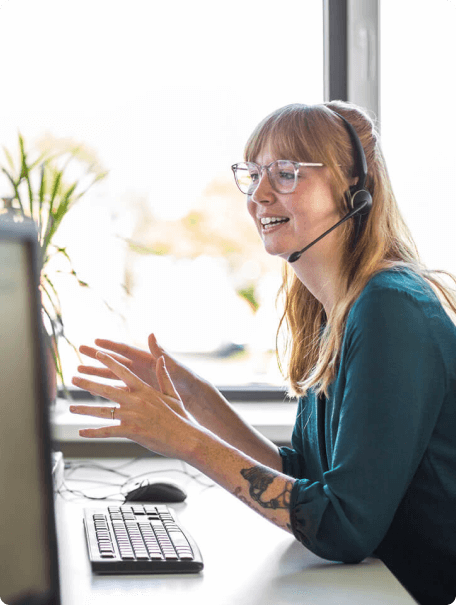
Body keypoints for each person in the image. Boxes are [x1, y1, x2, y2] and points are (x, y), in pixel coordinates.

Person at [70, 101, 456, 605]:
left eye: (287, 173)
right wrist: (199, 400)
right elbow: (307, 477)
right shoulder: (333, 312)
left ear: (353, 190)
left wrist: (188, 442)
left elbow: (342, 526)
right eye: (254, 174)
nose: (259, 195)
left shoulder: (391, 308)